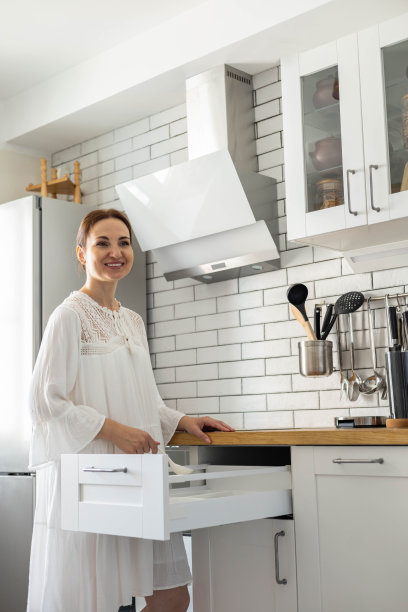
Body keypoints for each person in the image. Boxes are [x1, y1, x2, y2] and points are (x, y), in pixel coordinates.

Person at [27, 208, 235, 612]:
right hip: (95, 483)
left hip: (139, 480)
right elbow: (44, 402)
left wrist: (181, 420)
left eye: (123, 242)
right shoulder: (68, 317)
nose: (115, 251)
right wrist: (112, 430)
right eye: (102, 242)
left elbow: (145, 399)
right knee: (94, 599)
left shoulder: (133, 321)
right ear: (81, 253)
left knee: (173, 598)